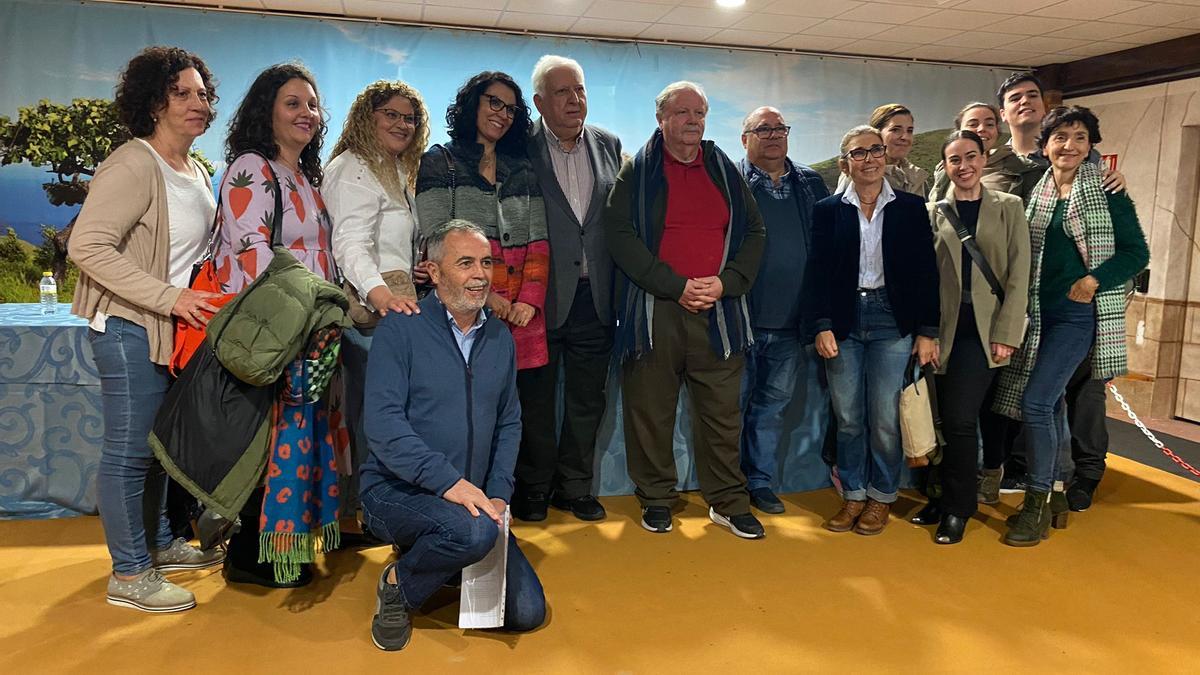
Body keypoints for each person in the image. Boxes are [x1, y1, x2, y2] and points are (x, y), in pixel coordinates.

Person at [69, 46, 224, 612]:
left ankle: (157, 545)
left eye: (203, 93)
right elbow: (86, 245)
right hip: (129, 326)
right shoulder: (133, 163)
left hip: (171, 333)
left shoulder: (195, 168)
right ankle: (130, 574)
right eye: (181, 93)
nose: (197, 103)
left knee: (157, 450)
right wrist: (170, 297)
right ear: (153, 101)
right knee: (129, 451)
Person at [360, 220, 546, 651]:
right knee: (472, 535)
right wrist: (450, 484)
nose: (480, 274)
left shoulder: (500, 336)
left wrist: (498, 494)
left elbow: (508, 422)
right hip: (394, 491)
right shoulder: (400, 328)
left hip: (472, 501)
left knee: (527, 613)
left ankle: (440, 554)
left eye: (486, 262)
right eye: (465, 263)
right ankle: (398, 585)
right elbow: (384, 427)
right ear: (436, 273)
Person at [604, 81, 766, 539]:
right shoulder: (637, 171)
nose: (692, 120)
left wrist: (725, 284)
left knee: (722, 414)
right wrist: (675, 286)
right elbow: (619, 235)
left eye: (699, 112)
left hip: (720, 312)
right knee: (650, 411)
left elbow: (754, 231)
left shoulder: (723, 169)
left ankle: (728, 502)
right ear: (662, 119)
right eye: (682, 112)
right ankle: (656, 498)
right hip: (657, 312)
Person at [213, 63, 346, 586]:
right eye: (292, 103)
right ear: (265, 110)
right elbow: (252, 252)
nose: (306, 114)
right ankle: (250, 554)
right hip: (275, 331)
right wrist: (312, 309)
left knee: (295, 441)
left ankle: (283, 546)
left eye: (311, 105)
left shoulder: (305, 179)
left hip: (308, 333)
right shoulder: (253, 167)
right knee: (267, 444)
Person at [994, 106, 1148, 547]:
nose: (1070, 145)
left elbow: (1136, 254)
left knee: (1038, 402)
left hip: (1078, 315)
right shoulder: (1038, 192)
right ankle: (1058, 490)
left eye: (1080, 137)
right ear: (1045, 146)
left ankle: (1036, 504)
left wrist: (1094, 279)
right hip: (1036, 315)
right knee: (1054, 403)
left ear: (1090, 146)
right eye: (1061, 137)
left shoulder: (1108, 192)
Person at [808, 125, 939, 536]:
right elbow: (817, 275)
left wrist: (927, 330)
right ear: (846, 162)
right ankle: (853, 495)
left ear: (886, 156)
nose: (869, 159)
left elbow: (926, 274)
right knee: (847, 417)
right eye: (859, 153)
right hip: (845, 320)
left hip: (892, 320)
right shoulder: (828, 210)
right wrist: (821, 325)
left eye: (875, 150)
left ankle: (881, 497)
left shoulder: (910, 208)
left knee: (884, 417)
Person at [514, 55, 623, 523]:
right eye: (562, 92)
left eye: (579, 89)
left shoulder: (610, 144)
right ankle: (534, 488)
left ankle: (575, 487)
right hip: (537, 299)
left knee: (586, 400)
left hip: (595, 297)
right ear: (539, 102)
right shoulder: (519, 148)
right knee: (533, 401)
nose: (574, 99)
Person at [916, 130, 1030, 544]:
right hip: (939, 330)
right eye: (954, 160)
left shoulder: (1009, 207)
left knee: (962, 420)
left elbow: (1019, 274)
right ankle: (936, 494)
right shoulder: (933, 210)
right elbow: (923, 276)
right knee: (935, 420)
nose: (963, 166)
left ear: (984, 158)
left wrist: (1007, 332)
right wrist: (924, 331)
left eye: (970, 156)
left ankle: (957, 508)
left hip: (982, 334)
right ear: (944, 166)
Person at [325, 80, 428, 535]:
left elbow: (384, 244)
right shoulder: (354, 167)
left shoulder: (392, 168)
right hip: (368, 318)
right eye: (391, 114)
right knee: (372, 420)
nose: (402, 124)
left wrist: (411, 272)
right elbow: (349, 244)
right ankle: (368, 515)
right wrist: (381, 293)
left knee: (382, 415)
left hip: (390, 310)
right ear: (368, 117)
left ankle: (375, 512)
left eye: (409, 118)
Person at [415, 71, 549, 372]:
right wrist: (485, 295)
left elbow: (539, 243)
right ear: (473, 104)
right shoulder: (439, 162)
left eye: (510, 109)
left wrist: (529, 301)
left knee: (529, 413)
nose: (502, 114)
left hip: (522, 319)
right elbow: (437, 243)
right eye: (494, 103)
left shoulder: (522, 169)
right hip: (464, 314)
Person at [736, 105, 829, 514]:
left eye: (780, 128)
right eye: (763, 129)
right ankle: (727, 485)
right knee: (730, 409)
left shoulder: (810, 182)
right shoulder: (731, 181)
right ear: (745, 139)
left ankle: (759, 483)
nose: (774, 135)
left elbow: (828, 247)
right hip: (739, 320)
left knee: (770, 409)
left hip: (792, 324)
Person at [928, 101, 1044, 203]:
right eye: (973, 124)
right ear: (959, 132)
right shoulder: (944, 169)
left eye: (989, 124)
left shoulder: (1021, 168)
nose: (982, 129)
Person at [837, 103, 929, 197]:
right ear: (876, 133)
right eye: (895, 130)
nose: (905, 137)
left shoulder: (917, 177)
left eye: (909, 131)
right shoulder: (858, 175)